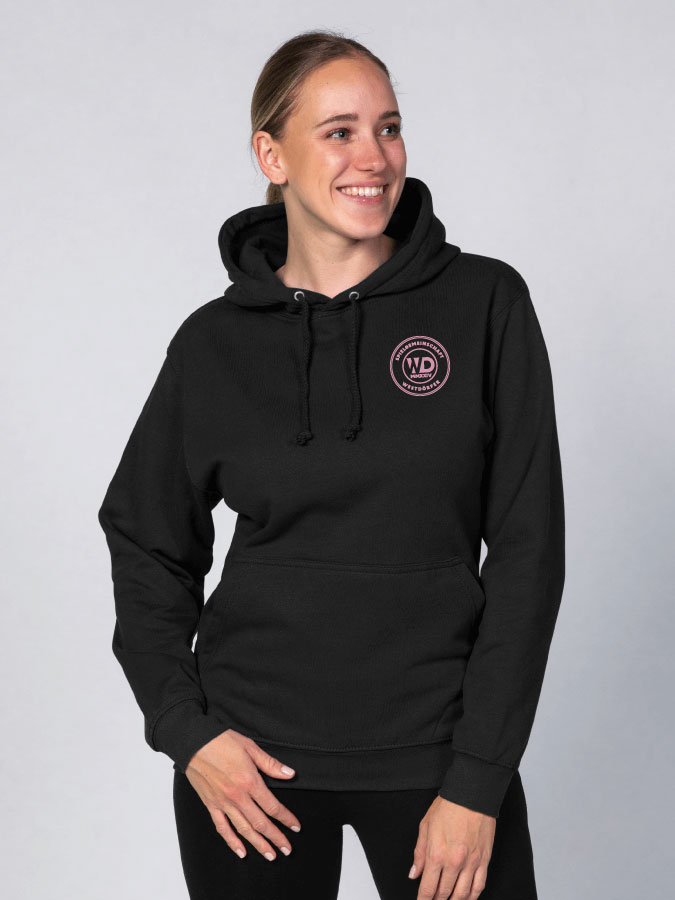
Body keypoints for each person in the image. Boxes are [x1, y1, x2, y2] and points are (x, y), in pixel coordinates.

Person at [98, 29, 565, 900]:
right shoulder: (213, 344)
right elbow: (145, 540)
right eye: (339, 131)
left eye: (388, 128)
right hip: (251, 770)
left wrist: (478, 778)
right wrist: (188, 731)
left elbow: (527, 553)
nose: (373, 157)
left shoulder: (483, 304)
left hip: (439, 759)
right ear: (271, 155)